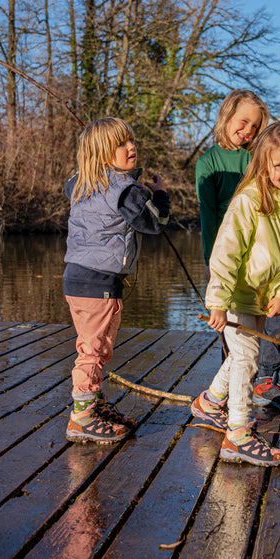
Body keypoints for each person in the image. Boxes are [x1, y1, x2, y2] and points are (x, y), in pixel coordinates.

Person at [191, 122, 280, 466]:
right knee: (248, 359)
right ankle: (238, 435)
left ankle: (210, 400)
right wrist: (217, 301)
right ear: (264, 165)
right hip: (235, 294)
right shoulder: (249, 200)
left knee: (241, 354)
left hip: (265, 297)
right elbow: (226, 253)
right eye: (278, 165)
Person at [63, 117, 171, 444]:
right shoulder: (125, 191)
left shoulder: (79, 184)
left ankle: (93, 405)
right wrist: (161, 193)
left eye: (131, 141)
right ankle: (82, 417)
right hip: (99, 283)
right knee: (93, 351)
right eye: (121, 144)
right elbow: (155, 222)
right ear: (101, 154)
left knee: (96, 347)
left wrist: (127, 178)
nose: (131, 147)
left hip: (77, 279)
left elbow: (101, 185)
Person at [195, 90, 280, 412]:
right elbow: (209, 216)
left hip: (265, 261)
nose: (248, 132)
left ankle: (265, 383)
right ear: (227, 116)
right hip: (227, 261)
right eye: (243, 122)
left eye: (256, 127)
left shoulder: (259, 156)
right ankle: (230, 397)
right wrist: (213, 269)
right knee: (236, 335)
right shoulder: (208, 162)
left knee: (273, 322)